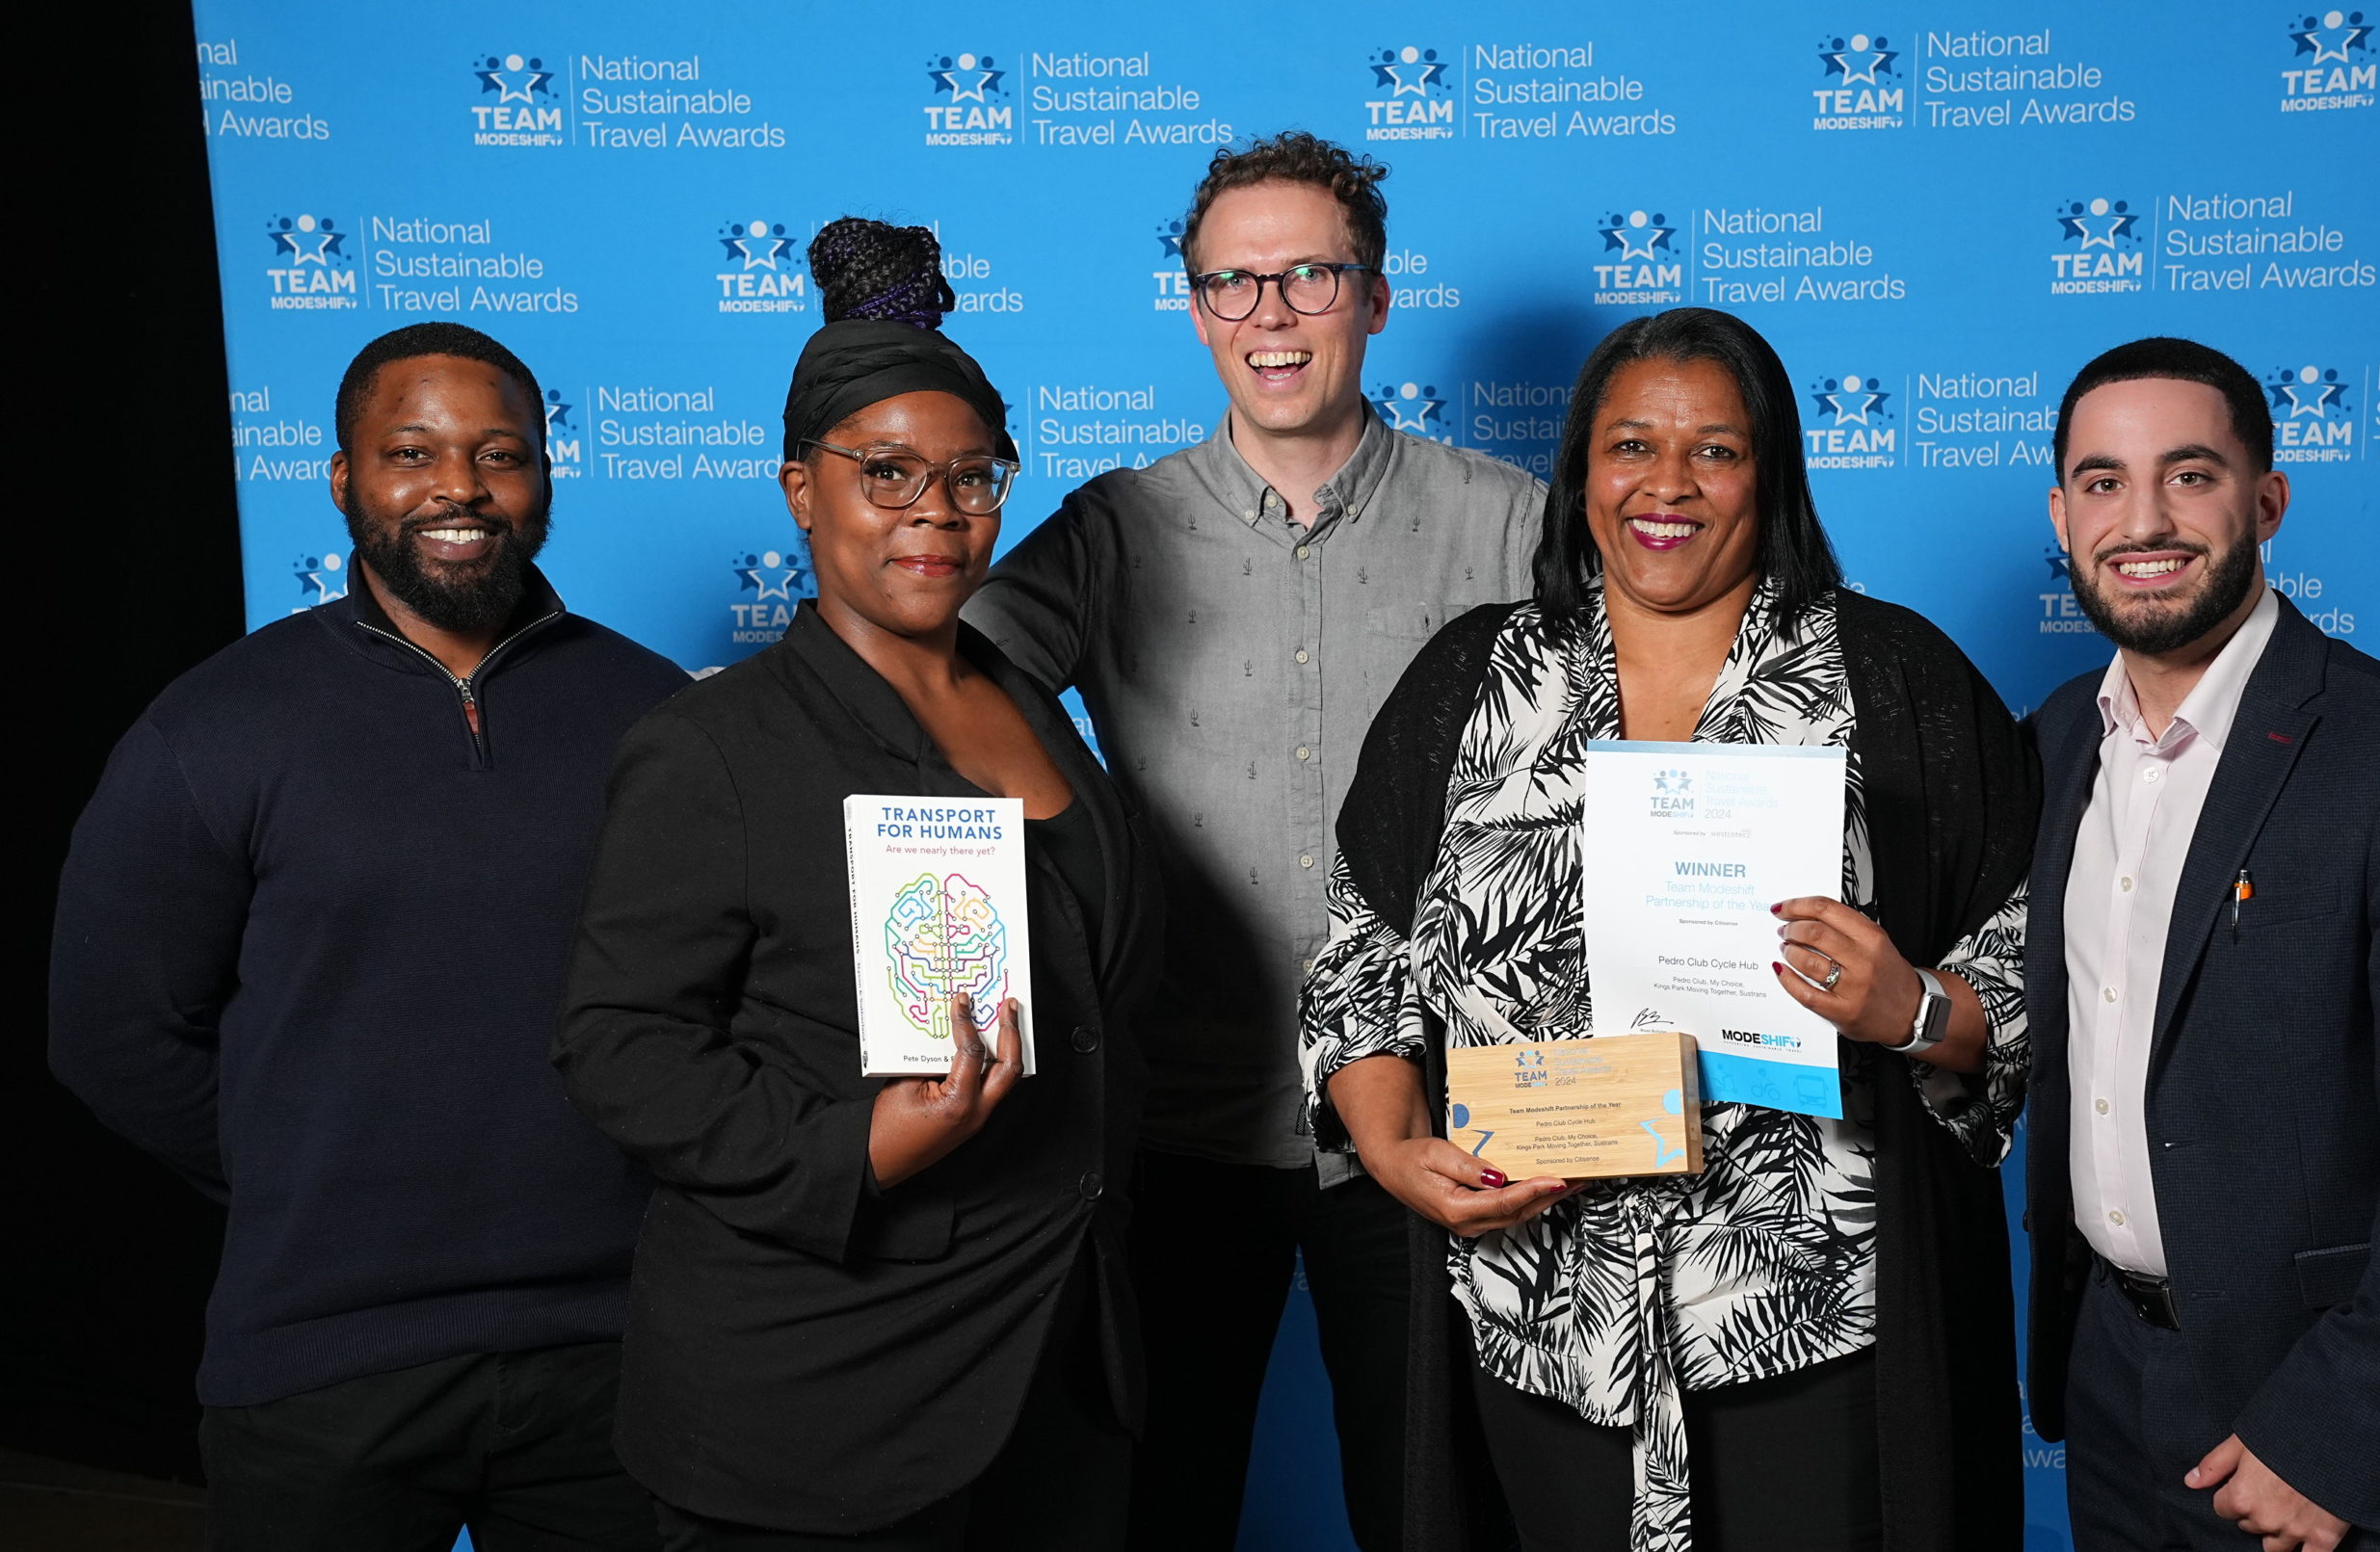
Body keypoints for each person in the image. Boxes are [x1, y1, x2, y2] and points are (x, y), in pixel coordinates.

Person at [1301, 306, 2039, 1552]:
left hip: (1805, 1321)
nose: (1669, 486)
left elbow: (2031, 957)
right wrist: (1390, 1143)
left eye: (1718, 451)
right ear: (1581, 466)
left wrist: (1914, 1007)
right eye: (1632, 444)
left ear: (1775, 473)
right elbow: (1361, 951)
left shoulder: (1893, 681)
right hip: (1541, 1316)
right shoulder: (1475, 680)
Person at [964, 131, 1545, 1552]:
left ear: (1377, 295)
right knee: (1151, 1510)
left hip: (1435, 1125)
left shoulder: (1510, 520)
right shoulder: (1110, 526)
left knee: (1441, 1514)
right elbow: (935, 678)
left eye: (1308, 276)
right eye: (1232, 283)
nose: (1269, 316)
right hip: (1175, 1119)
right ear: (1193, 304)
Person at [551, 219, 1164, 1551]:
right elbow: (620, 1044)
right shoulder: (713, 744)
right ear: (798, 489)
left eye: (971, 476)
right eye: (886, 472)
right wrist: (859, 1146)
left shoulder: (1029, 703)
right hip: (822, 1387)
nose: (936, 512)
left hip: (1052, 1366)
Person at [49, 322, 684, 1550]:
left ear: (545, 476)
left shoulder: (653, 710)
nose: (459, 487)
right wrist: (306, 1164)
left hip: (618, 1352)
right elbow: (109, 1034)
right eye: (412, 453)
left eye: (500, 454)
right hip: (322, 1363)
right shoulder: (215, 728)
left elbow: (718, 1001)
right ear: (345, 482)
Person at [2022, 337, 2380, 1552]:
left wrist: (2341, 1435)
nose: (2143, 519)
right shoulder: (2058, 741)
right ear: (2063, 514)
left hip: (2310, 1404)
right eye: (2103, 482)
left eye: (2190, 474)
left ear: (2265, 499)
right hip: (2109, 1383)